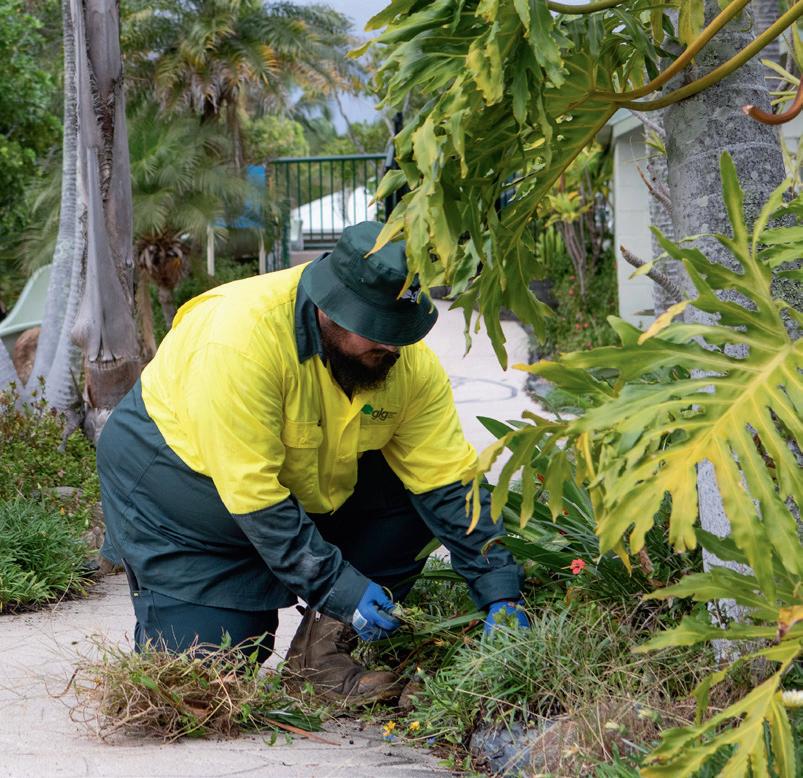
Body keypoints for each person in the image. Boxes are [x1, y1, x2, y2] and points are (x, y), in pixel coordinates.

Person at [97, 221, 528, 704]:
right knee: (204, 681)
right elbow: (256, 496)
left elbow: (448, 481)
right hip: (182, 500)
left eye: (400, 331)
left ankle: (318, 660)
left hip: (297, 487)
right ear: (329, 306)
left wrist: (500, 588)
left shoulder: (403, 361)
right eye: (376, 330)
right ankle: (194, 604)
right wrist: (340, 588)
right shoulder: (240, 342)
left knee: (415, 497)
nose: (391, 346)